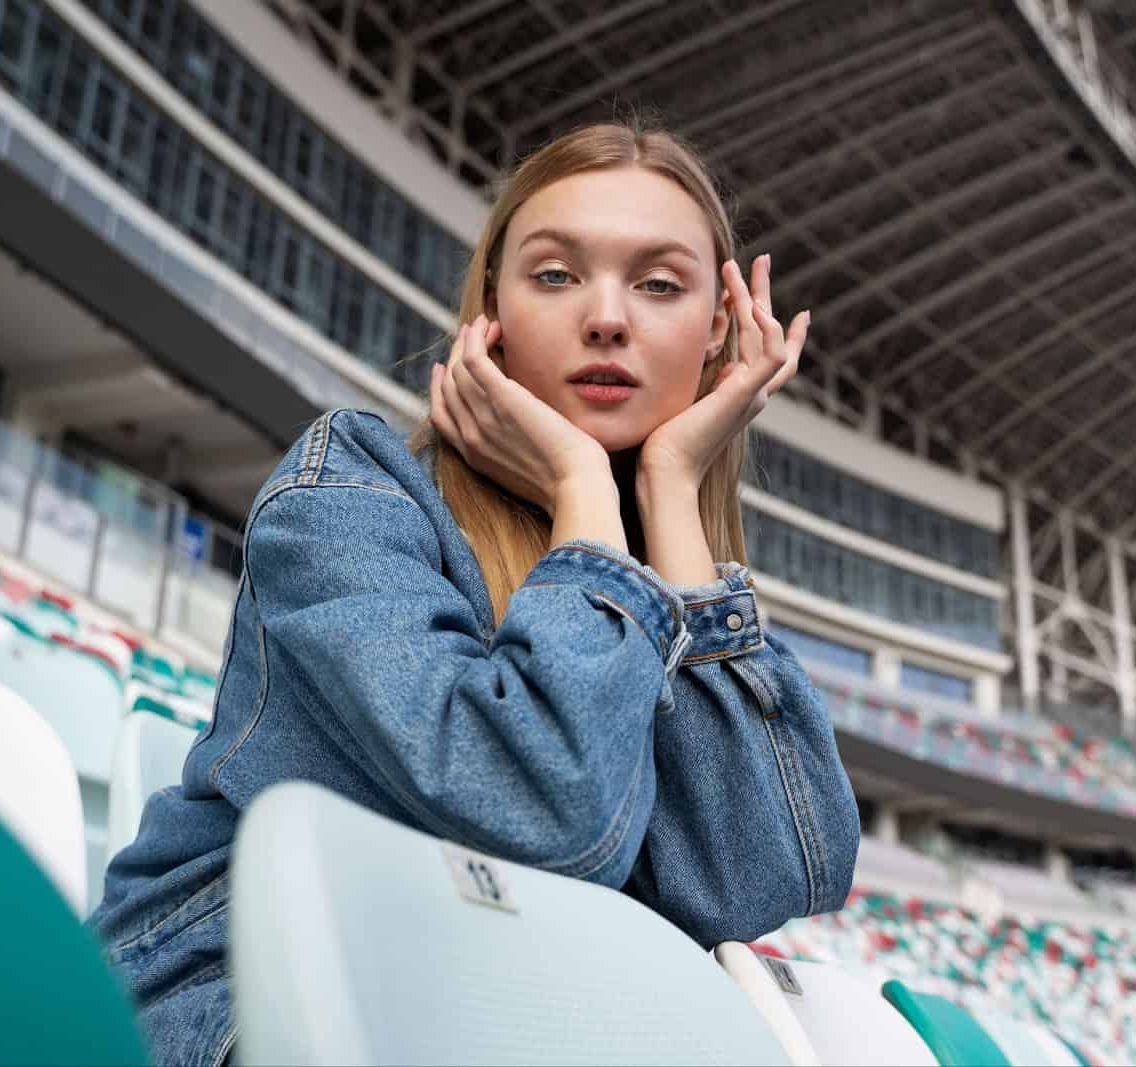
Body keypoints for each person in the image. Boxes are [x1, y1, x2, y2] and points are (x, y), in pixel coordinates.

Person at [89, 120, 860, 1067]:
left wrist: (671, 497)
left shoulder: (662, 551)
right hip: (256, 1009)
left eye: (658, 284)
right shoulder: (350, 493)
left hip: (507, 1024)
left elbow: (764, 873)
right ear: (490, 309)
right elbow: (535, 820)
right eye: (554, 274)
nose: (607, 317)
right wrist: (583, 491)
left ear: (718, 334)